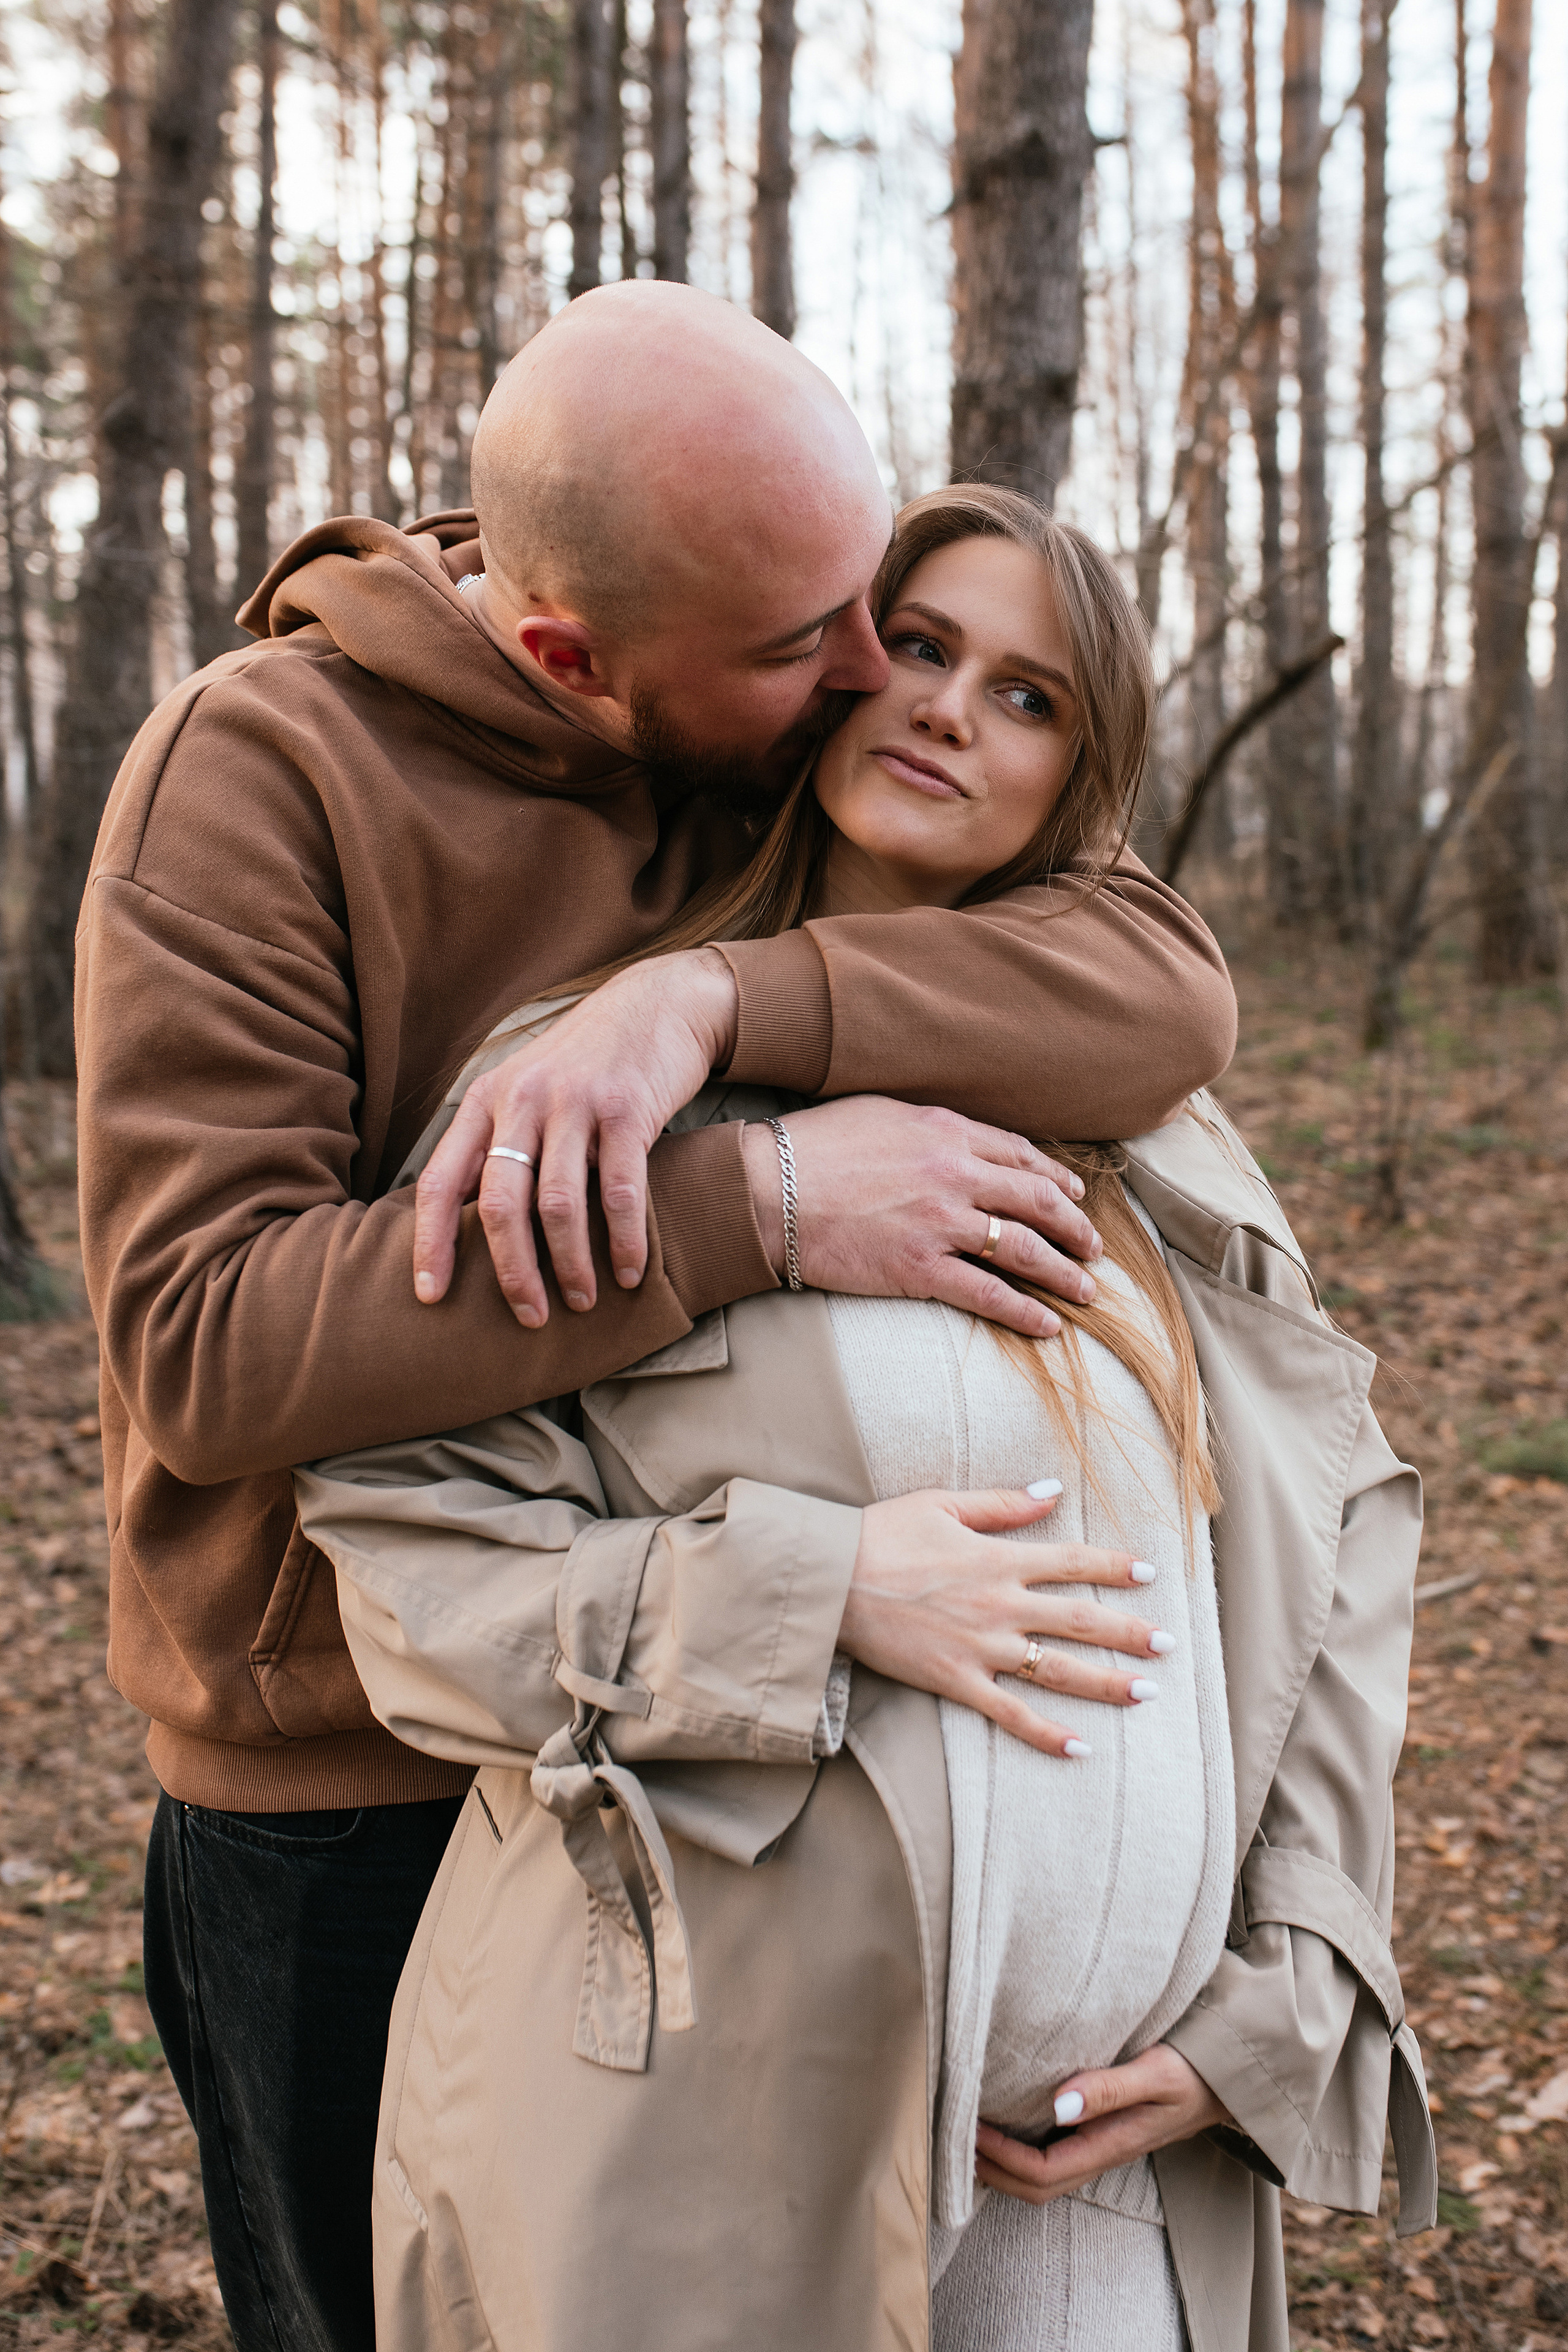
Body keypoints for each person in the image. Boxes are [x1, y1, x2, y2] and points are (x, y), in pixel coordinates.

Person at [75, 288, 1236, 2352]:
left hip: (709, 1760)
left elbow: (1152, 972)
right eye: (820, 644)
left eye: (863, 601)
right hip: (354, 1782)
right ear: (568, 663)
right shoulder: (258, 774)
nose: (876, 681)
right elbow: (214, 1341)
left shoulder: (771, 699)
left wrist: (706, 998)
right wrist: (752, 1206)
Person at [297, 486, 1436, 2352]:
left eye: (1028, 697)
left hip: (1109, 2174)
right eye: (921, 647)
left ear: (1079, 781)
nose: (949, 712)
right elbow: (415, 1552)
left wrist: (1287, 2000)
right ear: (830, 668)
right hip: (712, 2125)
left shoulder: (1163, 1141)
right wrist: (812, 1590)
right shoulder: (594, 1089)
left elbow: (1331, 1570)